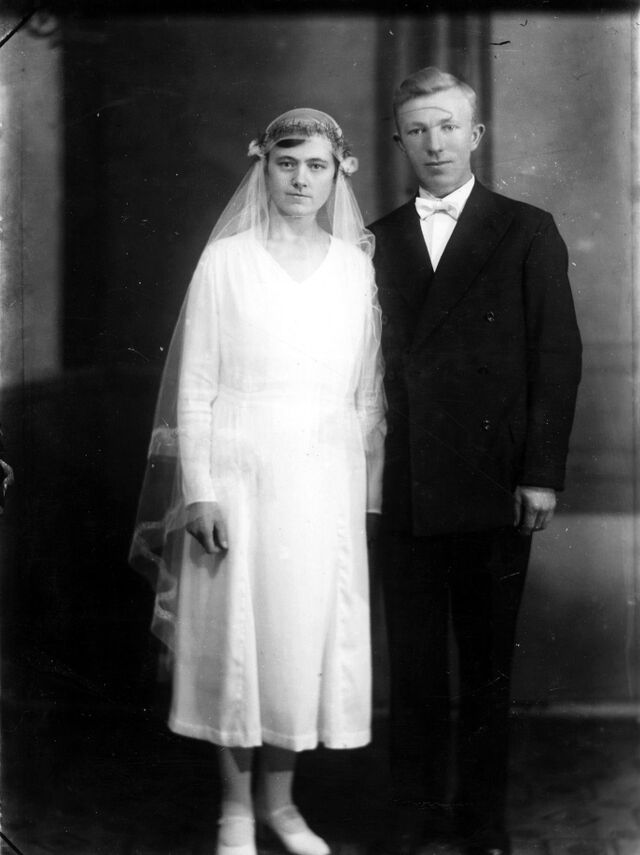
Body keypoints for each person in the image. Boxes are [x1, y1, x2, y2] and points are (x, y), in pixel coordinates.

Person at [130, 108, 386, 855]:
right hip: (239, 474)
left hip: (324, 480)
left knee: (296, 640)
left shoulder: (354, 266)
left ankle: (281, 804)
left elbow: (367, 394)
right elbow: (196, 386)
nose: (300, 179)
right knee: (235, 636)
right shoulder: (226, 261)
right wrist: (201, 488)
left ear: (337, 175)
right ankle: (235, 809)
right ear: (263, 168)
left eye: (316, 166)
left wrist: (362, 492)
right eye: (286, 163)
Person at [368, 68, 582, 855]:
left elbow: (556, 357)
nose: (435, 143)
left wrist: (542, 471)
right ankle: (415, 815)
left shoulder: (527, 229)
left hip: (495, 481)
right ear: (399, 140)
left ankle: (484, 821)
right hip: (407, 483)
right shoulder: (375, 238)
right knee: (415, 665)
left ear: (476, 135)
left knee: (489, 667)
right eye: (418, 129)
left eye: (448, 126)